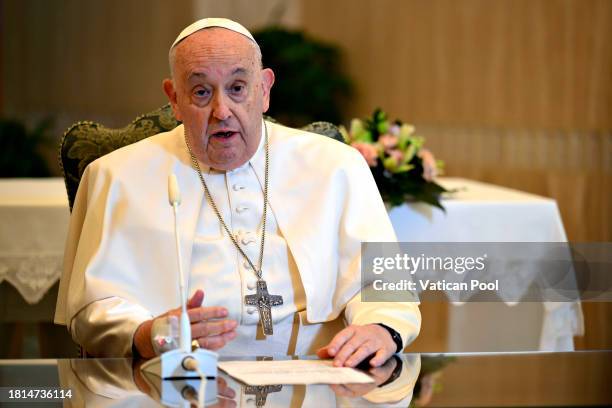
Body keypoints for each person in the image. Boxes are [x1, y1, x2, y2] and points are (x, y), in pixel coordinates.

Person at [54, 18, 420, 367]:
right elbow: (92, 309)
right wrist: (148, 334)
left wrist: (380, 327)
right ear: (174, 98)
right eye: (200, 92)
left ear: (264, 89)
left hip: (318, 377)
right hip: (180, 384)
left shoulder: (336, 166)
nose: (221, 110)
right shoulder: (117, 177)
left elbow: (385, 282)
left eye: (237, 88)